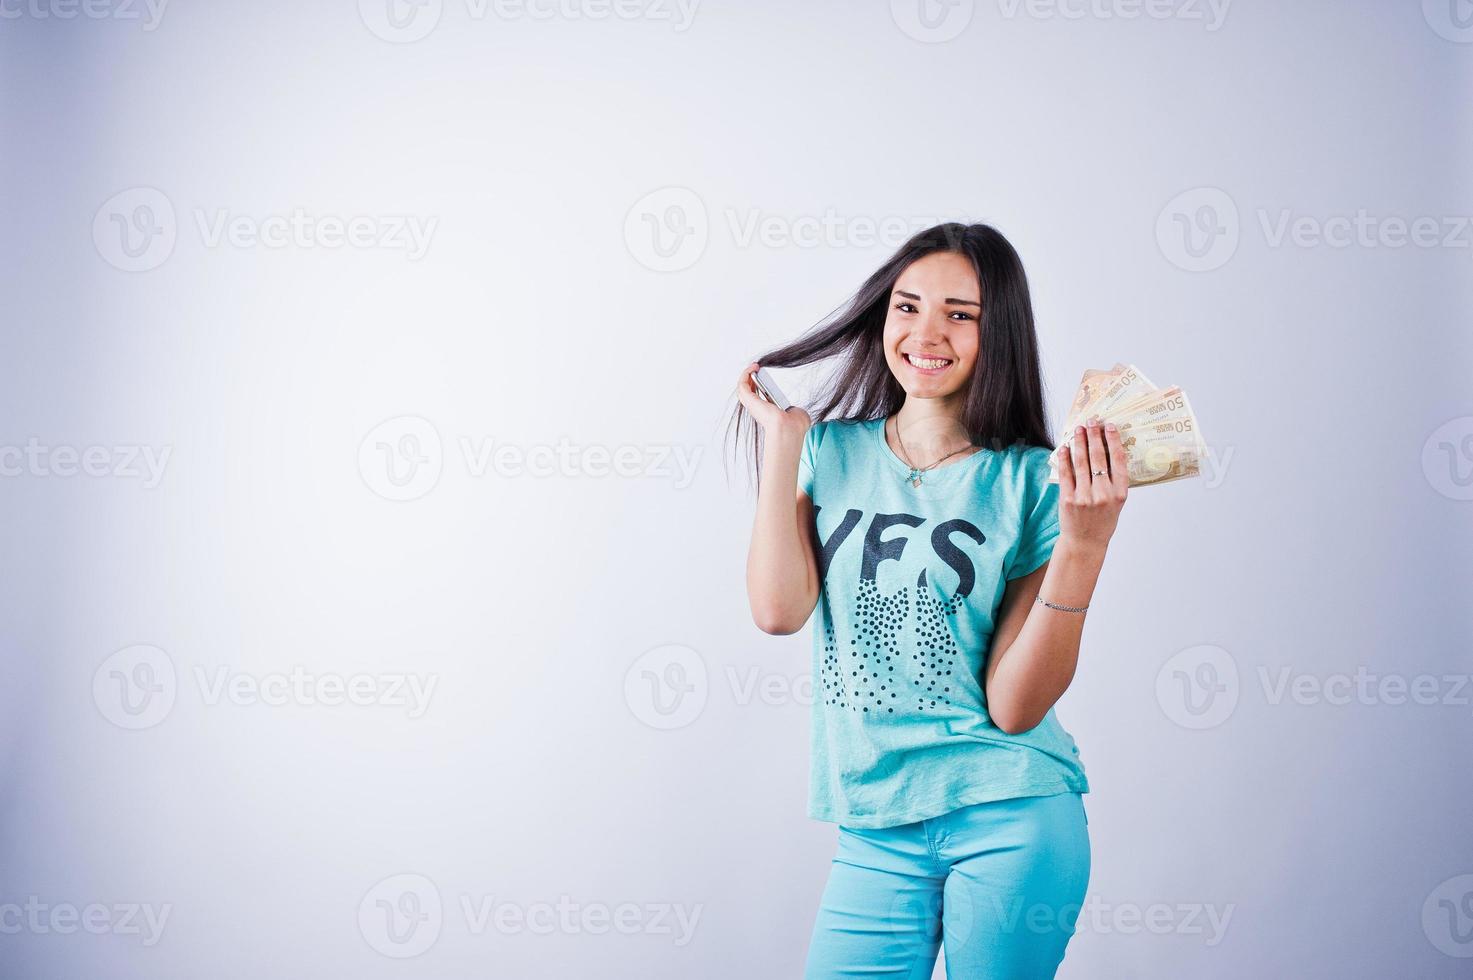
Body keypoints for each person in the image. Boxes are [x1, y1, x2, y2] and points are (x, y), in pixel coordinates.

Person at [731, 223, 1129, 978]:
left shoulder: (1032, 481)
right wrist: (783, 445)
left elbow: (1013, 708)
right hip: (874, 828)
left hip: (1010, 813)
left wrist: (1084, 547)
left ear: (997, 331)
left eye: (959, 314)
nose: (925, 332)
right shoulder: (829, 452)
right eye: (906, 306)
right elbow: (777, 611)